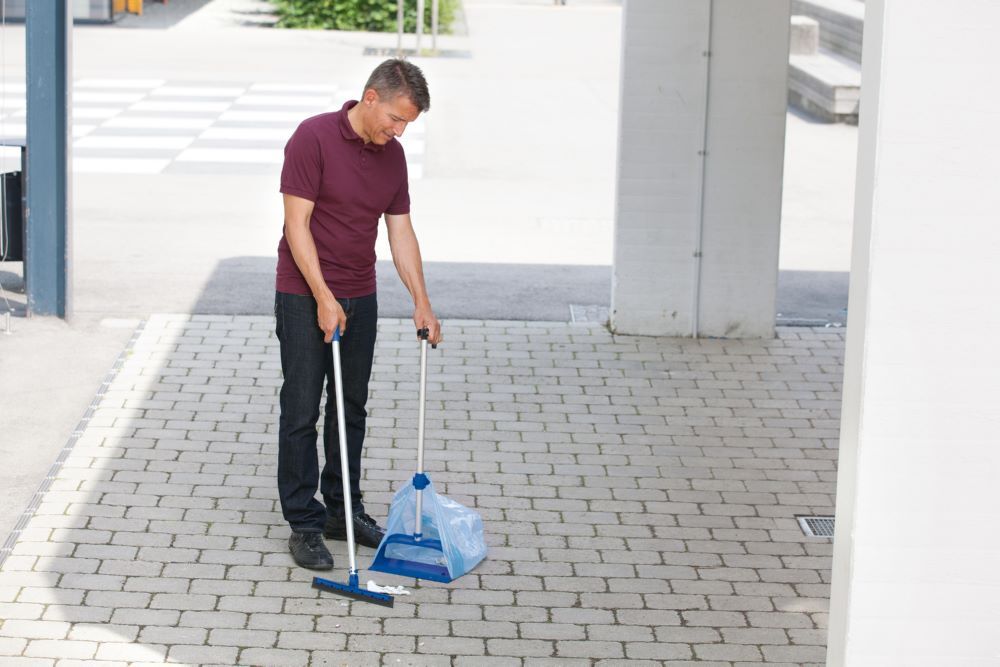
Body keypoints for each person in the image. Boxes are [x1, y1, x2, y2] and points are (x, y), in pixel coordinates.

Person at [274, 59, 443, 570]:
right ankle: (304, 522)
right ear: (371, 97)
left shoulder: (393, 159)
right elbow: (296, 224)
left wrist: (421, 299)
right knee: (303, 409)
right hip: (304, 292)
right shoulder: (313, 137)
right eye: (395, 118)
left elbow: (400, 231)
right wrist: (323, 297)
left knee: (351, 408)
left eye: (408, 124)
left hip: (360, 295)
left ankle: (342, 510)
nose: (399, 131)